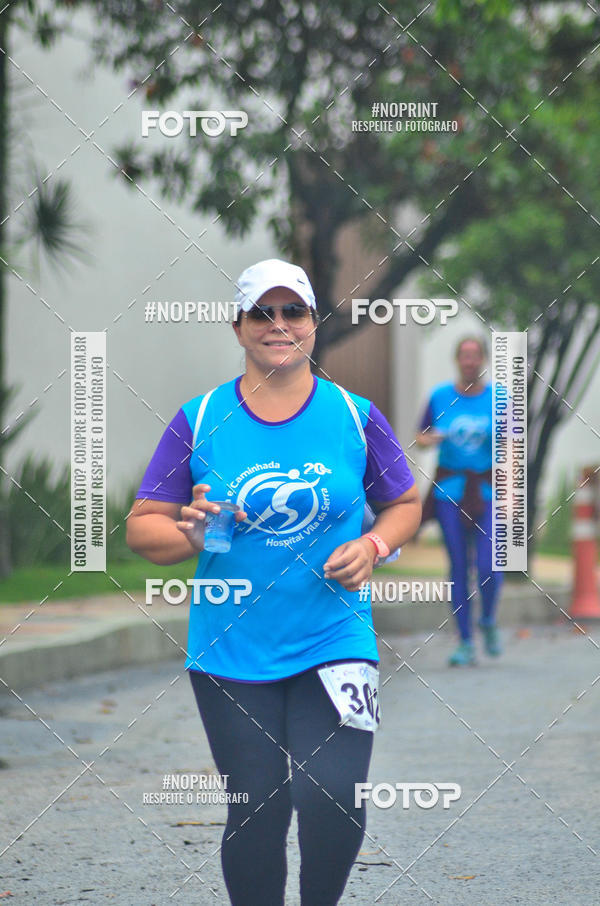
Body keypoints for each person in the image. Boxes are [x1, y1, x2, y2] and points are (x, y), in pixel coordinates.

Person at [126, 258, 422, 906]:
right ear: (238, 326)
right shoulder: (199, 419)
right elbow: (141, 529)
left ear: (314, 324)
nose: (279, 325)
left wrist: (374, 544)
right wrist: (189, 535)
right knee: (257, 811)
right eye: (263, 312)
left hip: (336, 637)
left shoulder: (355, 414)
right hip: (231, 651)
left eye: (294, 311)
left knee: (335, 798)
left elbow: (405, 503)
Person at [415, 336, 503, 666]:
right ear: (457, 360)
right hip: (449, 492)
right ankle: (465, 641)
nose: (469, 361)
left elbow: (514, 443)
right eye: (464, 355)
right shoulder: (440, 396)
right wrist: (431, 439)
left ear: (483, 359)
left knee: (489, 565)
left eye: (475, 355)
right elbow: (420, 437)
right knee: (457, 569)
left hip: (487, 492)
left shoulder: (500, 398)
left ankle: (489, 620)